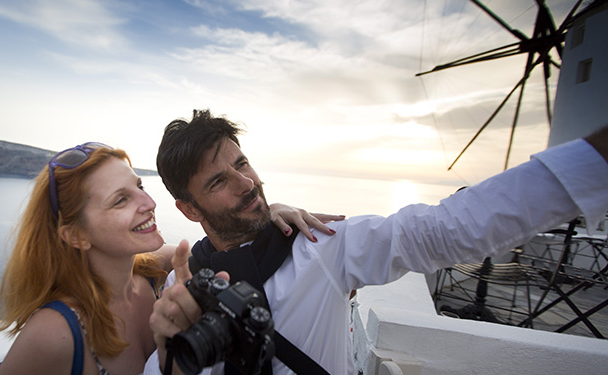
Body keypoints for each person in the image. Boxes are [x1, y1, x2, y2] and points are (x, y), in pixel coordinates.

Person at [146, 109, 608, 375]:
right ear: (188, 209)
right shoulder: (182, 286)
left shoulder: (321, 246)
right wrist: (168, 354)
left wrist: (590, 165)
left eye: (243, 162)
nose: (246, 183)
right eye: (218, 182)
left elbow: (444, 229)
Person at [0, 141, 343, 375]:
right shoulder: (55, 332)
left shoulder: (150, 275)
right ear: (76, 235)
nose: (149, 204)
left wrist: (268, 217)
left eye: (139, 188)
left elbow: (217, 249)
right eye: (120, 200)